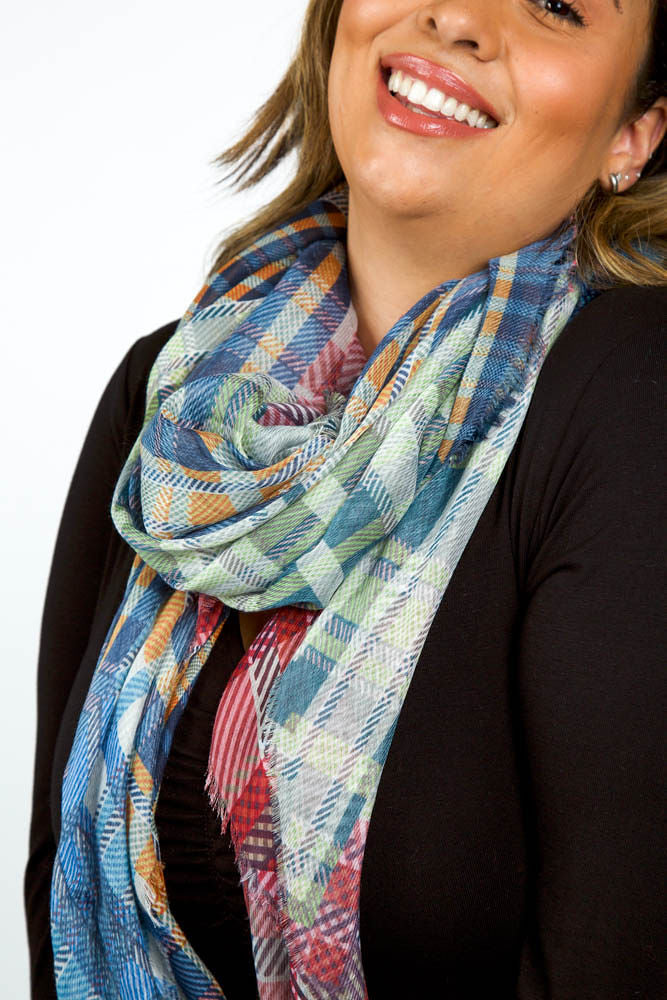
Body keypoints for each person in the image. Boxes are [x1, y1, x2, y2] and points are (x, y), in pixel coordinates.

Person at [25, 0, 666, 997]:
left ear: (634, 132)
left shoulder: (632, 393)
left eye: (554, 2)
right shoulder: (173, 396)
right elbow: (53, 903)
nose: (457, 15)